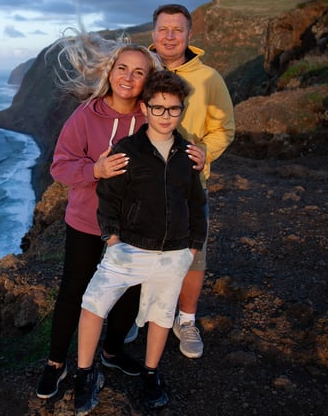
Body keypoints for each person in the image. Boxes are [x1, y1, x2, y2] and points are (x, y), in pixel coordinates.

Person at [35, 34, 170, 399]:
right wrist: (95, 169)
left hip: (133, 227)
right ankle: (55, 364)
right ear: (110, 72)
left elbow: (174, 154)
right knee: (73, 291)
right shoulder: (86, 115)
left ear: (148, 80)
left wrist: (197, 157)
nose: (128, 77)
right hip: (87, 221)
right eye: (122, 68)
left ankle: (111, 351)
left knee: (129, 291)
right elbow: (61, 165)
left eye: (138, 72)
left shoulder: (151, 117)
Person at [74, 69, 208, 414]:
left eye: (173, 109)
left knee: (162, 315)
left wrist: (193, 244)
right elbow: (109, 197)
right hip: (128, 248)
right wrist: (113, 238)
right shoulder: (128, 150)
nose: (166, 116)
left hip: (174, 252)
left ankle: (151, 373)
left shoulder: (188, 153)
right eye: (158, 108)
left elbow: (196, 201)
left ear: (182, 109)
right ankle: (85, 374)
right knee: (93, 306)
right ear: (145, 108)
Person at [149, 3, 235, 359]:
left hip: (188, 186)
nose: (170, 36)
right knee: (138, 251)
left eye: (178, 30)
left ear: (189, 35)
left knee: (191, 256)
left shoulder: (209, 78)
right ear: (152, 34)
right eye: (164, 29)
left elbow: (224, 128)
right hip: (141, 183)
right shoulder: (141, 70)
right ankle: (139, 317)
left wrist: (205, 150)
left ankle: (185, 321)